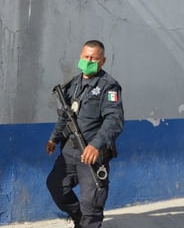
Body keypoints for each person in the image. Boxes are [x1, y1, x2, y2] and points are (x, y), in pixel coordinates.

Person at [46, 40, 124, 228]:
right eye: (85, 57)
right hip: (69, 152)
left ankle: (87, 221)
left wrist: (96, 145)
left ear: (102, 61)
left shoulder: (109, 86)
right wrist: (54, 138)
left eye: (93, 58)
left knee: (92, 206)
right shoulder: (73, 84)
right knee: (56, 186)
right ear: (80, 57)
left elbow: (114, 120)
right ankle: (78, 217)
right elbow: (65, 116)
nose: (88, 61)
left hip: (92, 155)